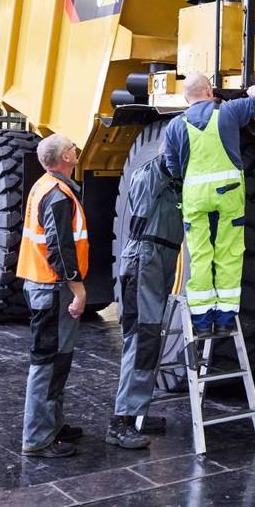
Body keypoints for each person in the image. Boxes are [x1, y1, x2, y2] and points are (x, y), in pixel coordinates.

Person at [163, 73, 255, 334]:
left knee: (201, 255)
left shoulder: (175, 126)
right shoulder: (228, 112)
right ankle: (225, 319)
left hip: (196, 199)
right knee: (229, 252)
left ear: (185, 97)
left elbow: (173, 168)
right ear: (210, 90)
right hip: (228, 196)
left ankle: (202, 321)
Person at [16, 134, 89, 458]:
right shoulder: (58, 195)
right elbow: (61, 250)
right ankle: (38, 438)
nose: (77, 150)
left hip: (45, 286)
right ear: (65, 159)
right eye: (72, 148)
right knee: (48, 362)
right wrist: (78, 290)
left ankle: (53, 425)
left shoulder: (45, 185)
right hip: (53, 289)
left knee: (58, 359)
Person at [107, 149, 184, 450]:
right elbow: (162, 168)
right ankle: (121, 421)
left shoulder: (175, 182)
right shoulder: (150, 173)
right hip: (145, 260)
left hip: (162, 259)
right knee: (141, 342)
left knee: (150, 342)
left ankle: (137, 415)